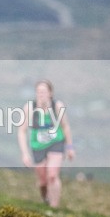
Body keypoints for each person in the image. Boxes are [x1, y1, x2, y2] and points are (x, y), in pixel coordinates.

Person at [17, 79, 75, 208]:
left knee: (52, 175)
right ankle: (45, 199)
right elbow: (22, 131)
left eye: (43, 91)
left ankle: (55, 207)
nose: (41, 94)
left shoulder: (57, 106)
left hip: (56, 142)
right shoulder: (29, 108)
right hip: (38, 146)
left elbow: (65, 127)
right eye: (38, 91)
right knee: (43, 181)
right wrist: (25, 154)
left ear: (50, 93)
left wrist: (69, 147)